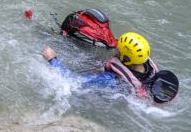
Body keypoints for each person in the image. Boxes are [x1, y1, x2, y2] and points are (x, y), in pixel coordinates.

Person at [42, 31, 178, 103]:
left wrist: (52, 59)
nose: (116, 50)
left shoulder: (111, 79)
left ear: (125, 58)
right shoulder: (150, 67)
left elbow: (72, 82)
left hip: (109, 96)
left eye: (119, 50)